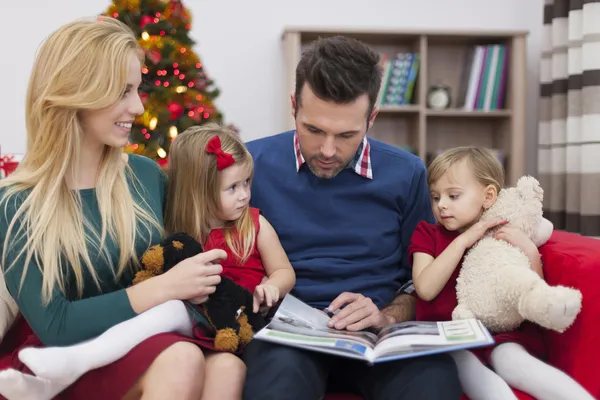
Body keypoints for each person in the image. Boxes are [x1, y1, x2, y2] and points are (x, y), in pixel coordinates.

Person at [0, 17, 240, 400]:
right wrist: (164, 289)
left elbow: (189, 257)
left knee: (227, 367)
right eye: (123, 91)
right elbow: (56, 325)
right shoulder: (17, 203)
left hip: (151, 341)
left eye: (138, 89)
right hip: (64, 362)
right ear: (77, 92)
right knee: (182, 359)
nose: (139, 107)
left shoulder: (145, 176)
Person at [1, 123, 296, 399]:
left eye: (247, 184)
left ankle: (70, 364)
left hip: (232, 326)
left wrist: (272, 285)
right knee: (171, 311)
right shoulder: (183, 231)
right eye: (233, 188)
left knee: (230, 368)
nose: (245, 195)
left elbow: (283, 270)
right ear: (200, 192)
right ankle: (72, 362)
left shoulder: (253, 226)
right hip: (189, 324)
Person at [242, 35, 462, 400]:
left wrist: (387, 315)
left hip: (378, 333)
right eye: (314, 130)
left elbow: (421, 280)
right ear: (294, 106)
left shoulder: (407, 173)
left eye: (346, 135)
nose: (328, 150)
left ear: (371, 118)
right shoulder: (251, 166)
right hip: (287, 336)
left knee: (433, 381)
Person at [409, 146, 595, 400]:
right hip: (450, 335)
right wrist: (463, 241)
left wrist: (529, 250)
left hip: (503, 331)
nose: (441, 205)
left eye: (453, 196)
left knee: (513, 362)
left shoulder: (502, 232)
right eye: (435, 197)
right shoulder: (427, 234)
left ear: (488, 196)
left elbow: (533, 287)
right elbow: (426, 289)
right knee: (465, 365)